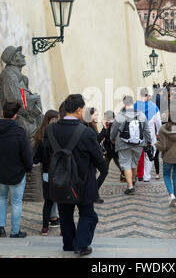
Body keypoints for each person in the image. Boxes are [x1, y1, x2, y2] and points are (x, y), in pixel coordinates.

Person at [44, 94, 108, 256]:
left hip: (60, 180)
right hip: (83, 181)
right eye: (84, 108)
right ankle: (80, 245)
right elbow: (97, 157)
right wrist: (104, 169)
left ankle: (69, 244)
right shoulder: (86, 132)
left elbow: (46, 152)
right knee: (88, 214)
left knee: (65, 214)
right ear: (79, 110)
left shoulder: (50, 130)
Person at [0, 101, 32, 238]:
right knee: (16, 202)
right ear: (15, 116)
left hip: (0, 172)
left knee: (2, 198)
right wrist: (27, 168)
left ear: (2, 113)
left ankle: (1, 228)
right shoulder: (19, 132)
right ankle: (15, 231)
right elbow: (27, 155)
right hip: (17, 173)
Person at [110, 95, 152, 195]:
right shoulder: (141, 115)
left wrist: (112, 139)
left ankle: (130, 187)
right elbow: (146, 130)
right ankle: (133, 180)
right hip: (139, 143)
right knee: (134, 163)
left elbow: (114, 130)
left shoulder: (120, 116)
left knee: (125, 164)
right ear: (133, 103)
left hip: (123, 143)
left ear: (124, 104)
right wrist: (149, 141)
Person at [33, 109, 62, 236]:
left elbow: (35, 159)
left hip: (46, 173)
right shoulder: (62, 139)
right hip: (60, 173)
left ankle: (45, 227)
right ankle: (63, 229)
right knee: (62, 201)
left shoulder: (42, 140)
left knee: (48, 201)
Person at [135, 88, 162, 182]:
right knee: (150, 153)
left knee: (138, 154)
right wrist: (159, 133)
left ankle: (139, 174)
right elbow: (158, 123)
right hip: (150, 135)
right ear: (148, 96)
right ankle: (146, 175)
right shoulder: (154, 107)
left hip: (137, 134)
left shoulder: (135, 105)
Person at [83, 107, 106, 204]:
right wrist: (104, 130)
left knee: (95, 174)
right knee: (103, 172)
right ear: (90, 116)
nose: (97, 117)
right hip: (92, 155)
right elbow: (96, 140)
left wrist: (104, 129)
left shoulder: (92, 125)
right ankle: (93, 194)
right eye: (95, 115)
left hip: (93, 154)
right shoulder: (88, 126)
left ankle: (93, 194)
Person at [98, 111, 125, 182]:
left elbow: (112, 136)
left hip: (113, 148)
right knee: (107, 165)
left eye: (105, 117)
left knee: (119, 163)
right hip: (108, 148)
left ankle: (125, 175)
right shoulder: (108, 124)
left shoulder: (114, 124)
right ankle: (103, 176)